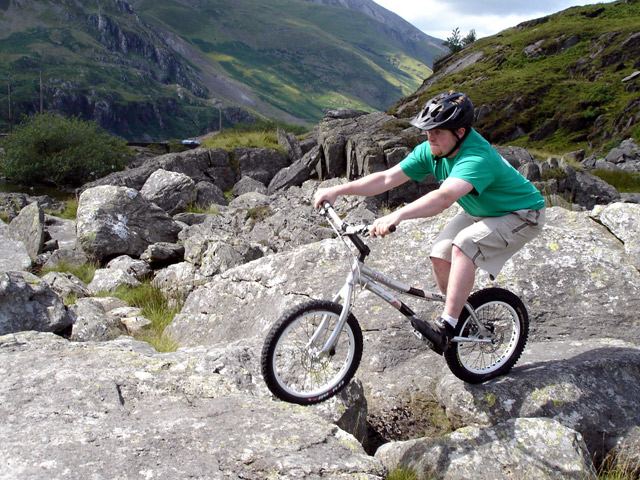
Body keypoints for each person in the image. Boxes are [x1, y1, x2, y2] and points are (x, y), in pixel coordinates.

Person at [313, 91, 545, 353]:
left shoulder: (476, 158)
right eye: (427, 131)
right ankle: (460, 315)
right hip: (481, 209)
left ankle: (447, 326)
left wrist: (397, 215)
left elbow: (444, 198)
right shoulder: (433, 150)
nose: (430, 136)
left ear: (459, 132)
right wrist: (339, 191)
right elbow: (387, 178)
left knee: (464, 246)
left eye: (437, 131)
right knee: (439, 254)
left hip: (521, 214)